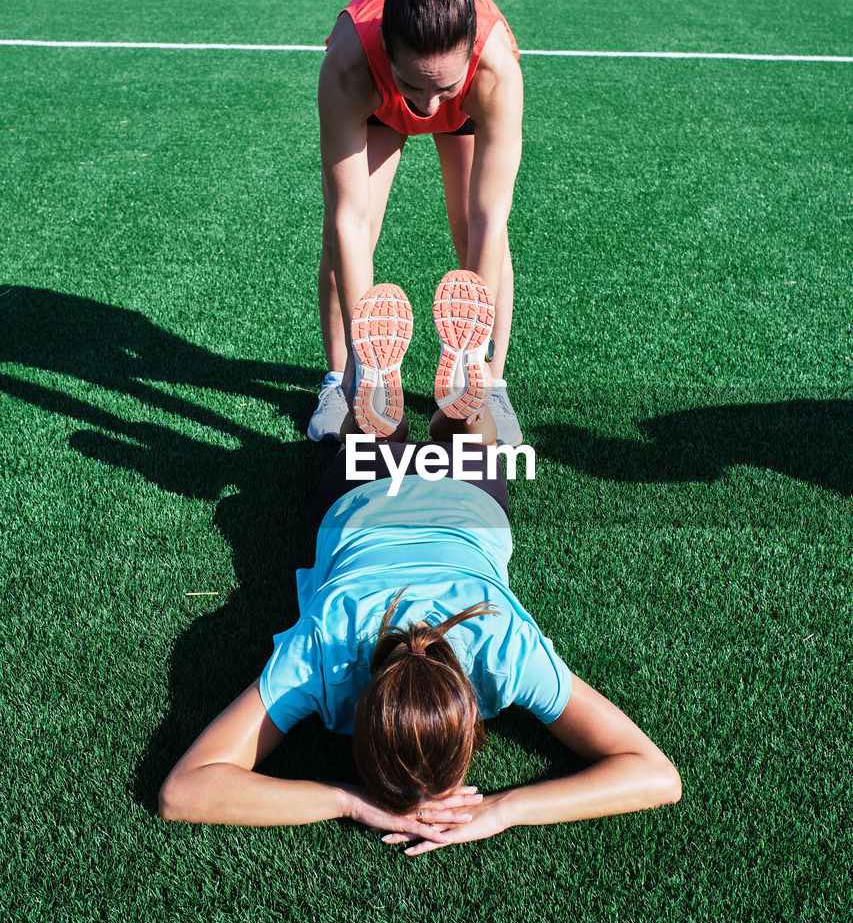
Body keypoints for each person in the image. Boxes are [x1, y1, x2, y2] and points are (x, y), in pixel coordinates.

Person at [160, 278, 681, 853]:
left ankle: (450, 411)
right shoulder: (327, 648)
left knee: (464, 450)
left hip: (466, 509)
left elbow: (653, 775)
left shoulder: (501, 648)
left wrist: (500, 808)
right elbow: (182, 792)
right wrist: (352, 797)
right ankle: (406, 410)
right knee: (372, 447)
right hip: (359, 509)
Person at [308, 0, 525, 447]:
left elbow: (489, 216)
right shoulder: (348, 64)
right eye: (415, 84)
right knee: (342, 244)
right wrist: (368, 360)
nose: (426, 107)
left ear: (471, 51)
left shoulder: (495, 70)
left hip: (466, 108)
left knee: (474, 235)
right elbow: (350, 219)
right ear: (385, 46)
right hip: (379, 105)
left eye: (441, 87)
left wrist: (471, 350)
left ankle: (489, 383)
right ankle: (342, 381)